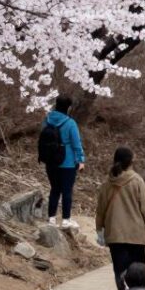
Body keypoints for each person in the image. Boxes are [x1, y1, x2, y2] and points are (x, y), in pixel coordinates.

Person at [94, 146, 145, 290]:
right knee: (138, 267)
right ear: (131, 161)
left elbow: (101, 210)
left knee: (119, 267)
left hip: (115, 233)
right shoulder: (137, 181)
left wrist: (99, 229)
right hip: (136, 233)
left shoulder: (107, 184)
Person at [36, 94, 84, 228]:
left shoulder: (47, 120)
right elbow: (76, 143)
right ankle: (66, 220)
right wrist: (81, 159)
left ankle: (51, 219)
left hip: (50, 161)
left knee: (54, 189)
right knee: (67, 191)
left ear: (56, 104)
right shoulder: (70, 123)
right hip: (67, 163)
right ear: (68, 108)